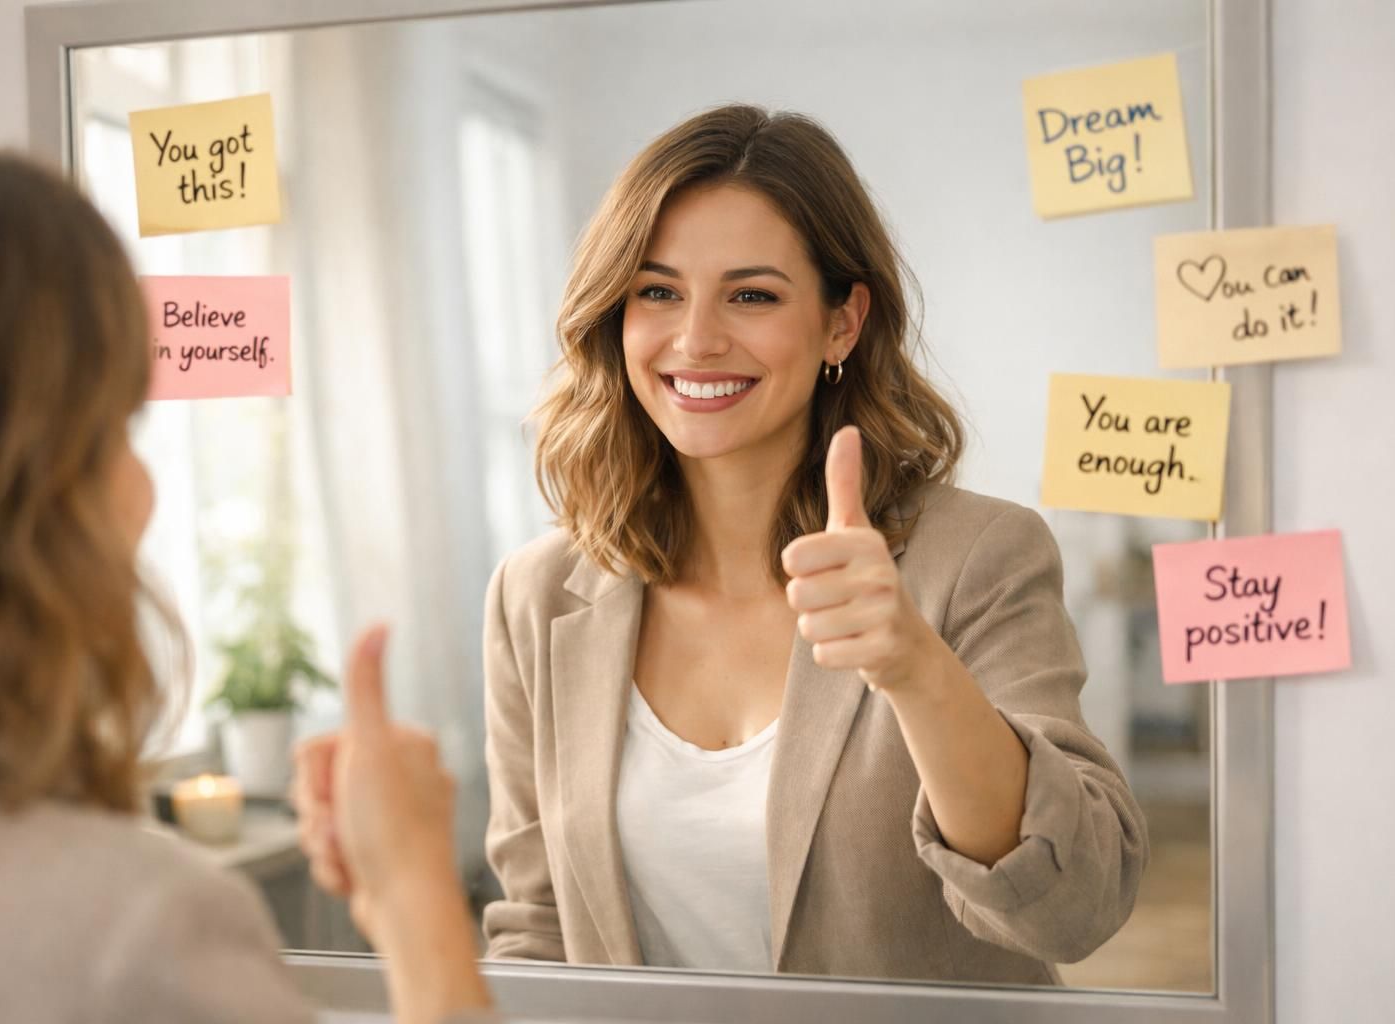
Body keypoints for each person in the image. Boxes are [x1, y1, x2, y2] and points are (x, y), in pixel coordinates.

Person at [298, 103, 1148, 986]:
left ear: (841, 324)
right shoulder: (538, 595)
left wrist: (916, 671)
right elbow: (542, 931)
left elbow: (1075, 907)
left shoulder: (981, 556)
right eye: (657, 291)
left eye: (752, 295)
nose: (696, 340)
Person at [0, 145, 495, 1024]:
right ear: (14, 487)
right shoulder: (124, 931)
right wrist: (416, 900)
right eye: (118, 424)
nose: (147, 485)